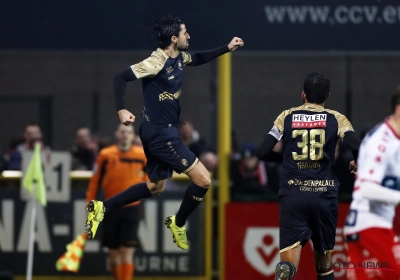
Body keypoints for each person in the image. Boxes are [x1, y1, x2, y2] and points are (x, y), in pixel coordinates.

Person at [84, 14, 244, 250]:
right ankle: (178, 223)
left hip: (157, 131)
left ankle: (102, 208)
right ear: (173, 38)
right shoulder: (156, 62)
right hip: (161, 134)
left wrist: (226, 48)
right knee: (204, 179)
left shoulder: (179, 57)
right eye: (184, 33)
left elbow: (198, 58)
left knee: (155, 187)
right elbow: (120, 77)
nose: (188, 36)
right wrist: (121, 109)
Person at [257, 72, 360, 280]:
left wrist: (287, 158)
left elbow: (262, 152)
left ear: (303, 94)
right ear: (328, 96)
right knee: (324, 266)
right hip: (324, 196)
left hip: (293, 195)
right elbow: (358, 145)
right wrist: (356, 160)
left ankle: (284, 273)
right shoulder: (336, 118)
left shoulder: (286, 116)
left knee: (287, 265)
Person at [344, 94, 400, 280]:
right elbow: (367, 189)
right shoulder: (381, 142)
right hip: (369, 225)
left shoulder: (394, 139)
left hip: (371, 225)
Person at [86, 124, 147, 280]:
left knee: (127, 251)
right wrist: (90, 201)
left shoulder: (142, 155)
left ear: (133, 136)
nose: (125, 134)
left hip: (132, 209)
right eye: (122, 131)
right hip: (111, 207)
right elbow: (95, 180)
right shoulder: (106, 155)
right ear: (117, 134)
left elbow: (149, 179)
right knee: (113, 254)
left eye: (128, 132)